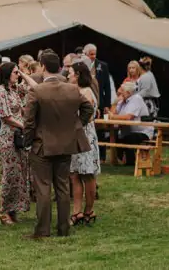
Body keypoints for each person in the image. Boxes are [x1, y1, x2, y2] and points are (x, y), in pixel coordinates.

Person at [22, 49, 94, 239]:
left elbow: (28, 121)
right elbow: (88, 108)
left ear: (43, 67)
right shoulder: (71, 89)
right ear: (59, 68)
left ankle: (42, 230)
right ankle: (63, 228)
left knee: (43, 188)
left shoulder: (36, 90)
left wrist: (27, 142)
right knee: (62, 187)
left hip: (41, 145)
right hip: (65, 144)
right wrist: (76, 126)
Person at [0, 61, 30, 226]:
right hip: (8, 137)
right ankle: (3, 211)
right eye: (15, 72)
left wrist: (24, 75)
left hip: (19, 136)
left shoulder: (15, 89)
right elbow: (5, 116)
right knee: (9, 174)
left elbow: (34, 88)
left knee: (20, 174)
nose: (18, 75)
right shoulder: (0, 91)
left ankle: (13, 209)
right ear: (8, 74)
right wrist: (24, 126)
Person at [68, 61, 100, 226]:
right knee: (75, 174)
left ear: (78, 74)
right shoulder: (76, 90)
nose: (68, 75)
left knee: (87, 174)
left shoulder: (86, 92)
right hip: (75, 135)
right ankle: (77, 211)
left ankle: (89, 210)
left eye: (70, 72)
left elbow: (87, 116)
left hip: (85, 136)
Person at [110, 81, 153, 165]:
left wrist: (113, 116)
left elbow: (128, 117)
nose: (119, 92)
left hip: (142, 131)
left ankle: (130, 162)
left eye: (121, 90)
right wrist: (115, 102)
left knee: (128, 138)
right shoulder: (123, 100)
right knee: (116, 137)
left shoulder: (136, 98)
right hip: (127, 131)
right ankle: (121, 160)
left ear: (128, 92)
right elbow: (113, 113)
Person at [84, 44, 112, 114]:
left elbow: (107, 87)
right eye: (91, 54)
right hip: (84, 101)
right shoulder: (80, 65)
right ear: (85, 54)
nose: (93, 56)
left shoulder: (103, 66)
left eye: (94, 54)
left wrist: (107, 105)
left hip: (99, 102)